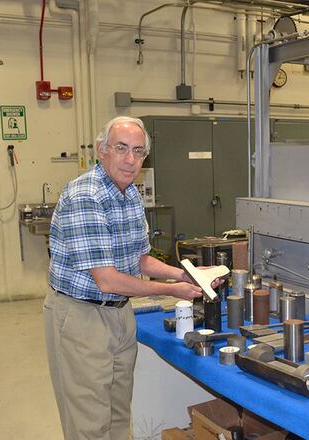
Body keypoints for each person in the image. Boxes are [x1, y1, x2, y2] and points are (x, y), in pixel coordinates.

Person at [44, 116, 211, 439]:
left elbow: (139, 259)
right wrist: (173, 290)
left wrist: (187, 273)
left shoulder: (129, 194)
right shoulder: (85, 196)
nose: (130, 159)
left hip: (119, 313)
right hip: (81, 316)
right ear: (101, 150)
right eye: (121, 148)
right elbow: (106, 279)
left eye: (138, 151)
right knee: (89, 423)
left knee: (119, 415)